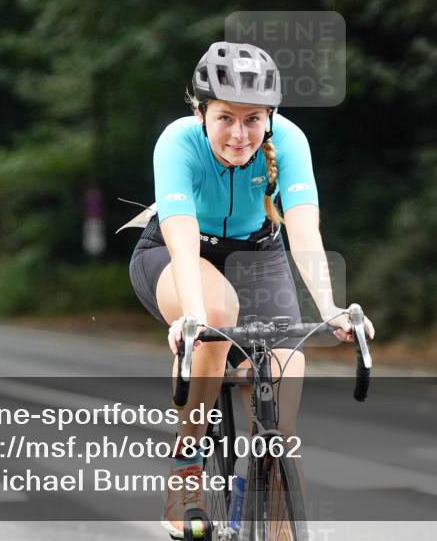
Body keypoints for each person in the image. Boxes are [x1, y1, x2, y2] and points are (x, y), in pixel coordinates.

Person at [126, 42, 374, 538]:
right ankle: (186, 470)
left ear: (270, 117)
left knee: (281, 405)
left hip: (259, 257)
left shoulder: (291, 141)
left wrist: (329, 307)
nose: (240, 135)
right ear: (200, 112)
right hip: (178, 255)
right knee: (216, 314)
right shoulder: (177, 142)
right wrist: (193, 316)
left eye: (253, 119)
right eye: (225, 118)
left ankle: (255, 489)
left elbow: (303, 229)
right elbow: (181, 233)